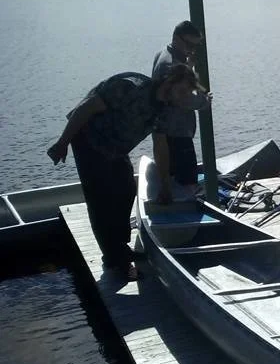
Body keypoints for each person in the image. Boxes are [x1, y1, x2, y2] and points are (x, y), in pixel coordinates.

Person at [47, 65, 207, 280]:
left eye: (188, 93)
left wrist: (166, 188)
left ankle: (120, 246)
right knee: (102, 199)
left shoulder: (165, 109)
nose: (183, 97)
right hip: (89, 141)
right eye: (182, 91)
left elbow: (160, 147)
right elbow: (86, 108)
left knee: (127, 189)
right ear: (169, 81)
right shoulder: (130, 86)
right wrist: (62, 143)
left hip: (116, 147)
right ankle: (116, 260)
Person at [151, 20, 208, 197]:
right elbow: (184, 100)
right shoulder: (171, 65)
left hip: (168, 130)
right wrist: (204, 100)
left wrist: (189, 66)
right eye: (189, 44)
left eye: (195, 46)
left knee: (177, 175)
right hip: (176, 133)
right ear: (176, 38)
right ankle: (185, 214)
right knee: (187, 182)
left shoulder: (164, 54)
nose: (192, 50)